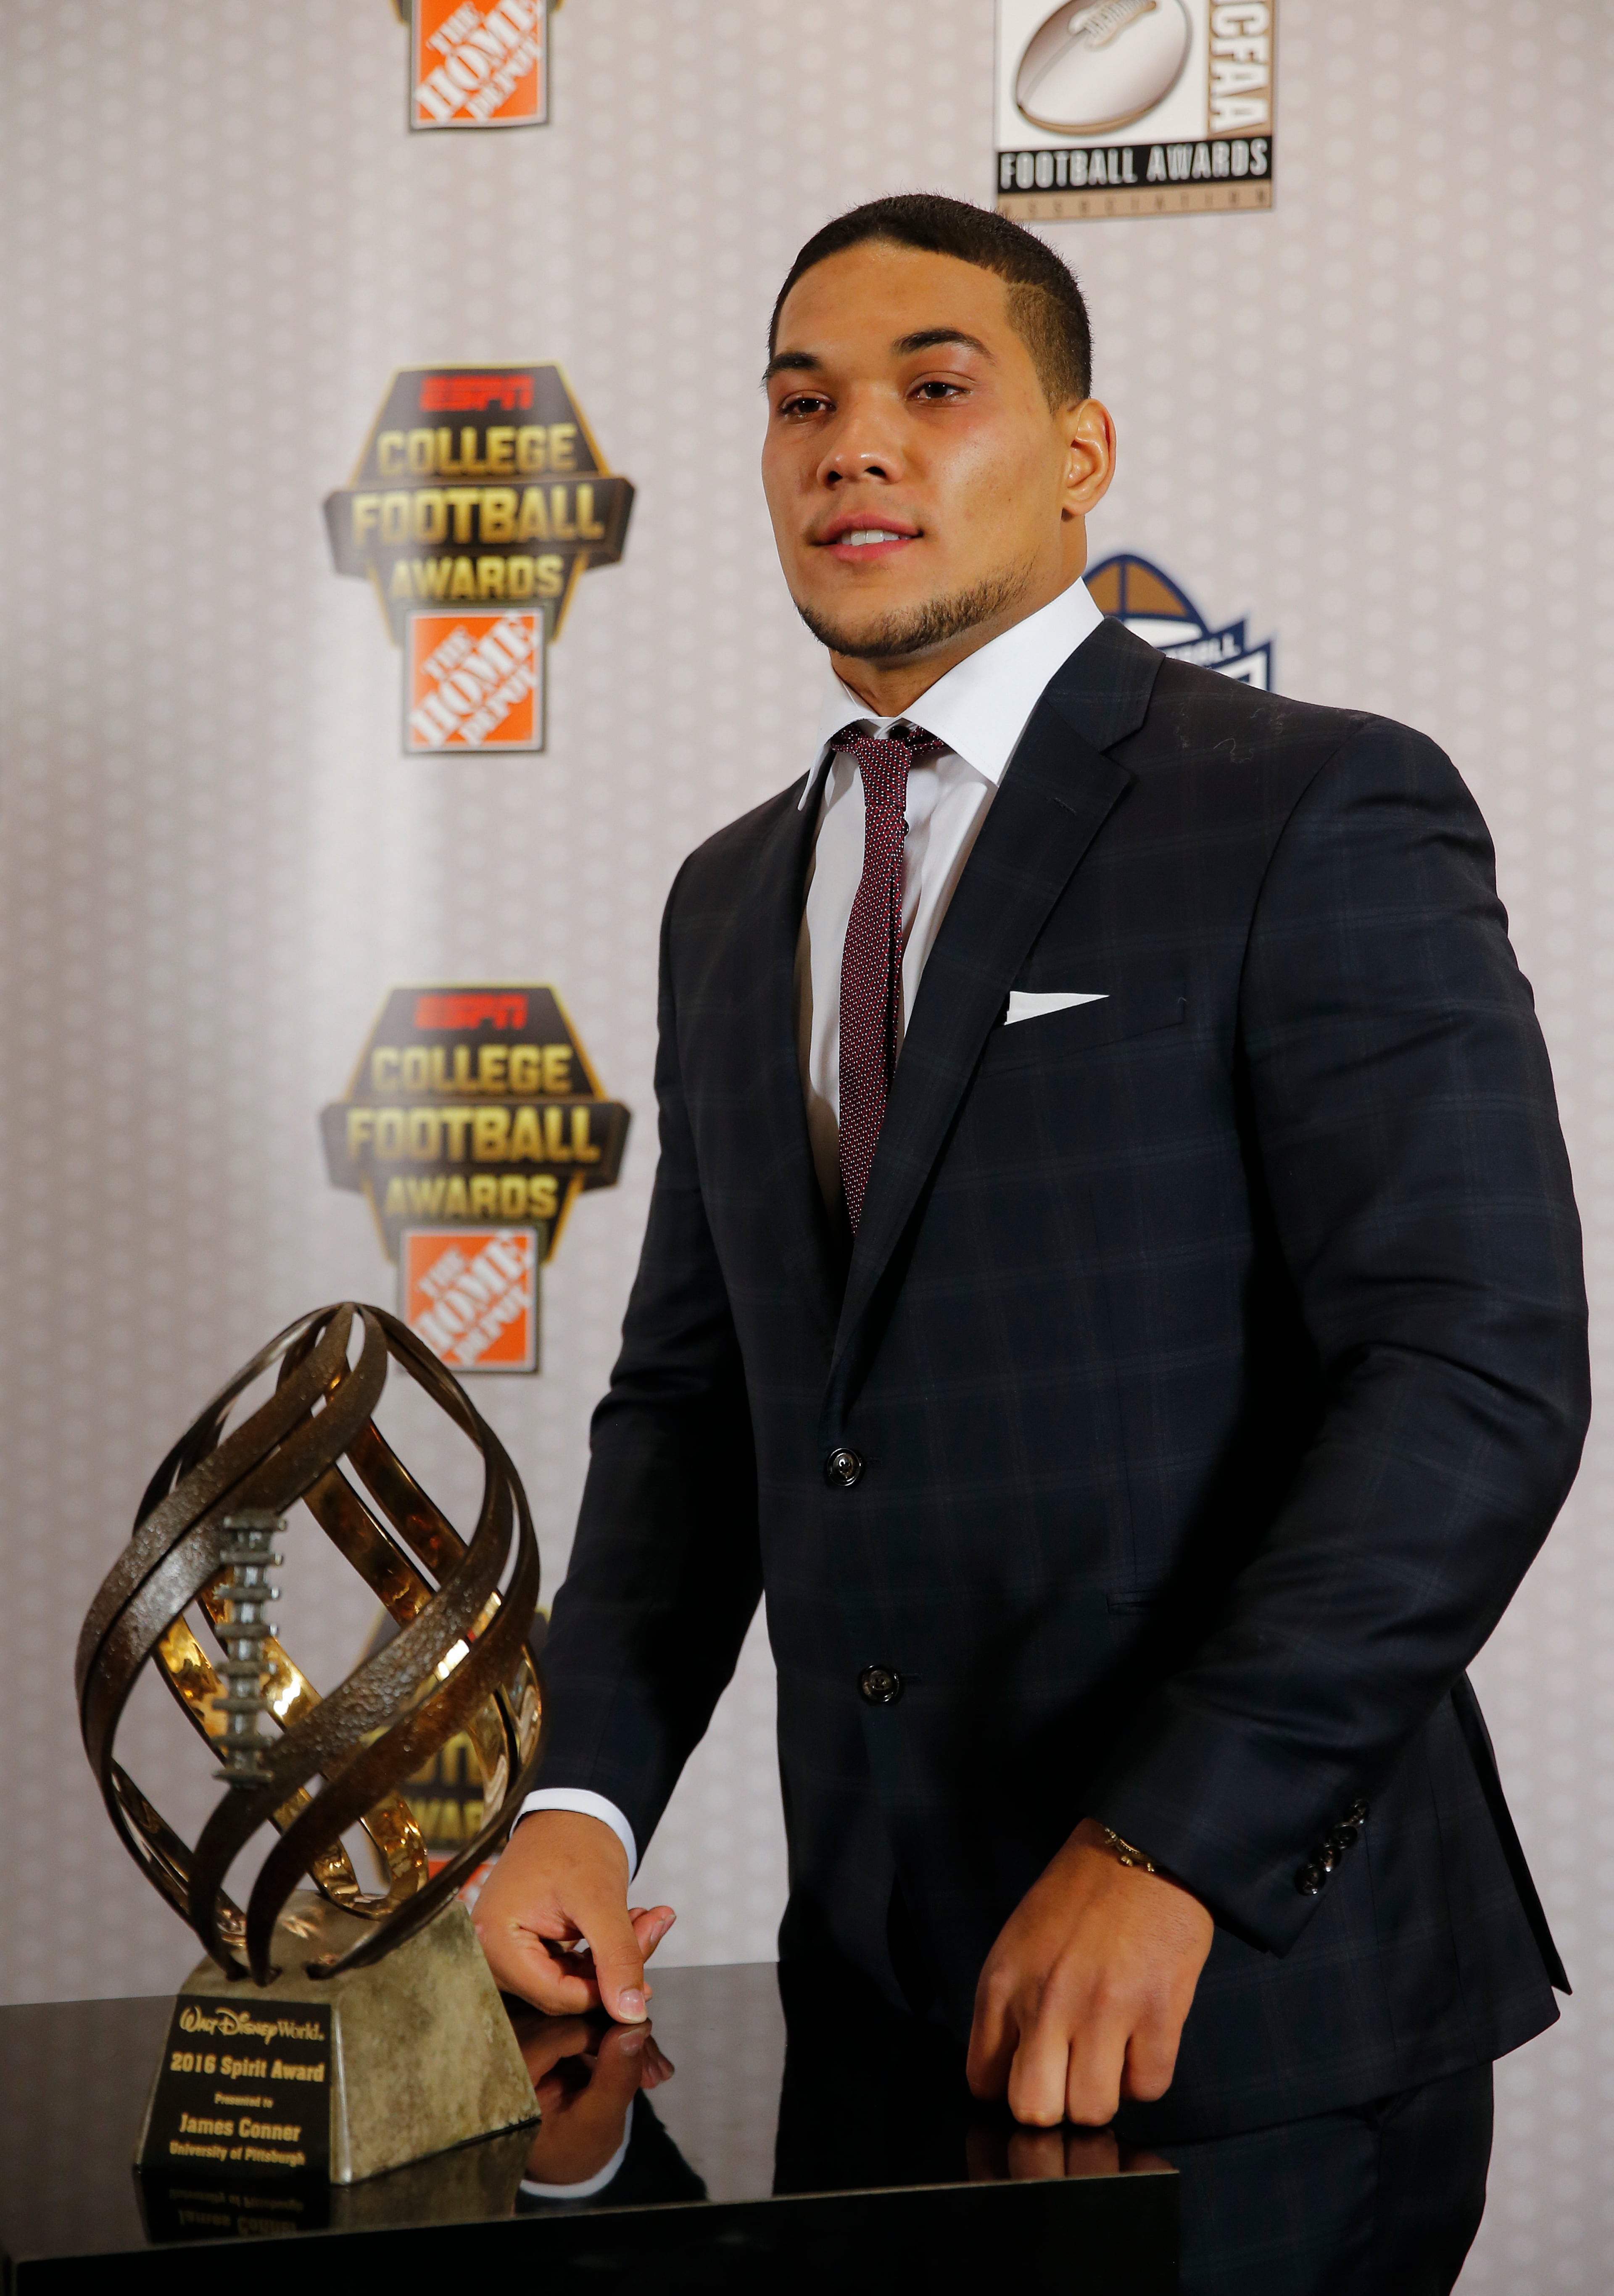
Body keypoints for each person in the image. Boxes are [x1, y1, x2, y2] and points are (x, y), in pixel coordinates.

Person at [474, 193, 1588, 2286]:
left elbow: (1475, 1372)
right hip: (881, 2021)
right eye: (802, 401)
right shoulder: (732, 898)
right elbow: (693, 1411)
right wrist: (584, 1798)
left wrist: (1174, 1840)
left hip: (1260, 2006)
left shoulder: (1312, 808)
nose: (852, 445)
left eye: (933, 387)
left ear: (1081, 454)